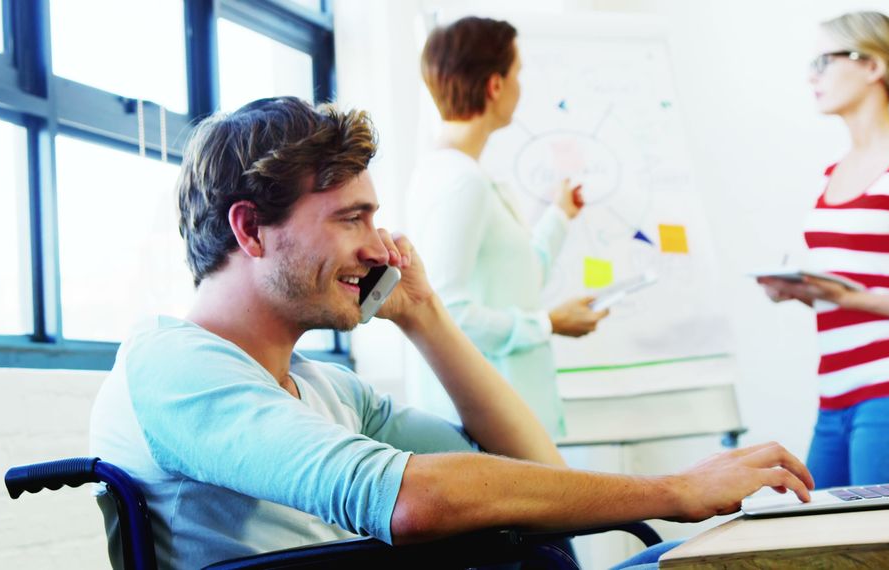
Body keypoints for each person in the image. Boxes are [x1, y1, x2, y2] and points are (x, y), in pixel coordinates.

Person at [89, 96, 813, 569]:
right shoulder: (172, 362)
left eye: (375, 218)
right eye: (352, 219)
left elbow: (536, 475)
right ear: (250, 229)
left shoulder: (319, 387)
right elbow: (412, 500)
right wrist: (673, 489)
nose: (383, 247)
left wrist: (424, 317)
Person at [757, 12, 889, 488]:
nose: (811, 76)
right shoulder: (830, 173)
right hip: (835, 394)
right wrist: (800, 290)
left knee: (873, 551)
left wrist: (850, 298)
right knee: (818, 543)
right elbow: (850, 280)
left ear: (872, 66)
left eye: (823, 61)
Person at [406, 16, 608, 437]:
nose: (521, 86)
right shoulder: (461, 181)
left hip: (508, 426)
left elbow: (519, 279)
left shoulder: (463, 175)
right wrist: (548, 323)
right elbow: (447, 314)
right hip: (491, 430)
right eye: (518, 74)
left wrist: (559, 217)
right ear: (495, 85)